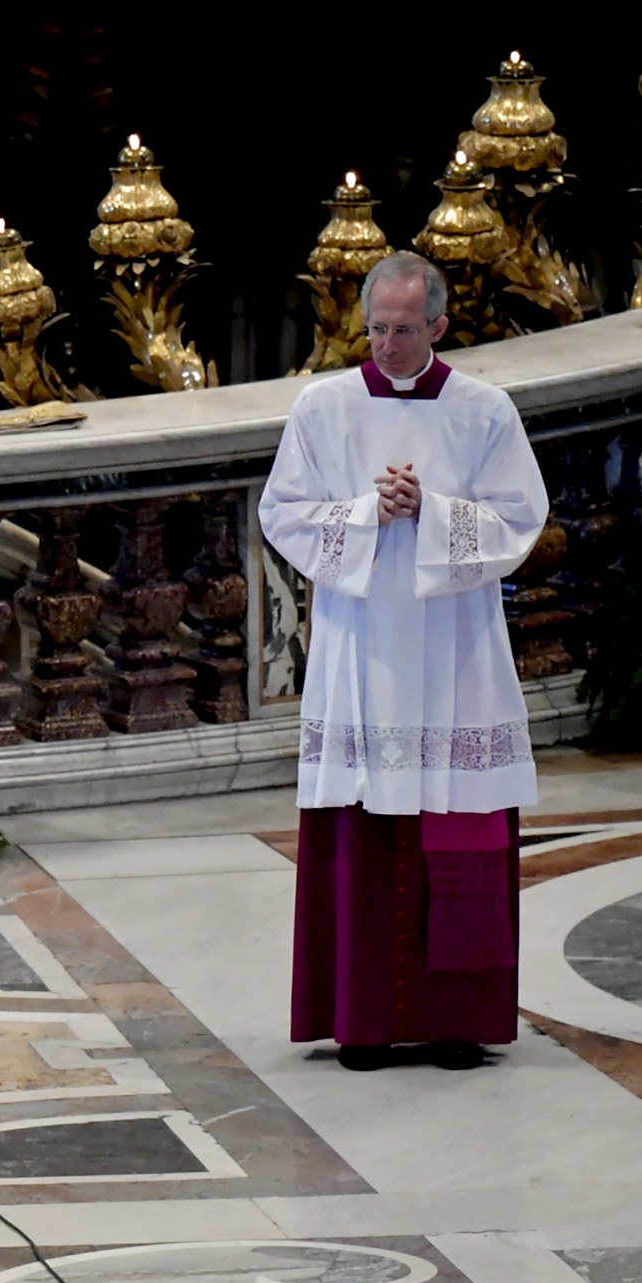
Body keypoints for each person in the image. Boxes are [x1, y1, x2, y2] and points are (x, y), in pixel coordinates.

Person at [259, 250, 547, 1072]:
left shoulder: (485, 412)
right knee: (365, 825)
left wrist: (432, 513)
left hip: (456, 651)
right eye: (376, 329)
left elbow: (522, 519)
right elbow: (282, 513)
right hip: (363, 650)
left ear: (439, 327)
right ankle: (363, 1021)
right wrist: (362, 512)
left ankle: (458, 1020)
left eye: (404, 330)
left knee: (460, 824)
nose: (386, 346)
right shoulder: (324, 406)